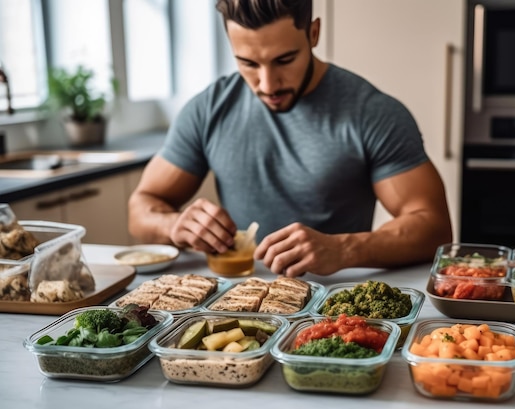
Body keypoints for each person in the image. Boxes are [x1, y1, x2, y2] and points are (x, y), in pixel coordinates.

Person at [128, 0, 453, 277]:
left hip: (332, 304)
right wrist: (174, 226)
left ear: (313, 34)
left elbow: (433, 227)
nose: (267, 84)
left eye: (284, 60)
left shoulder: (372, 113)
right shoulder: (208, 109)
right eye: (248, 63)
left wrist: (342, 249)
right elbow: (141, 207)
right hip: (233, 301)